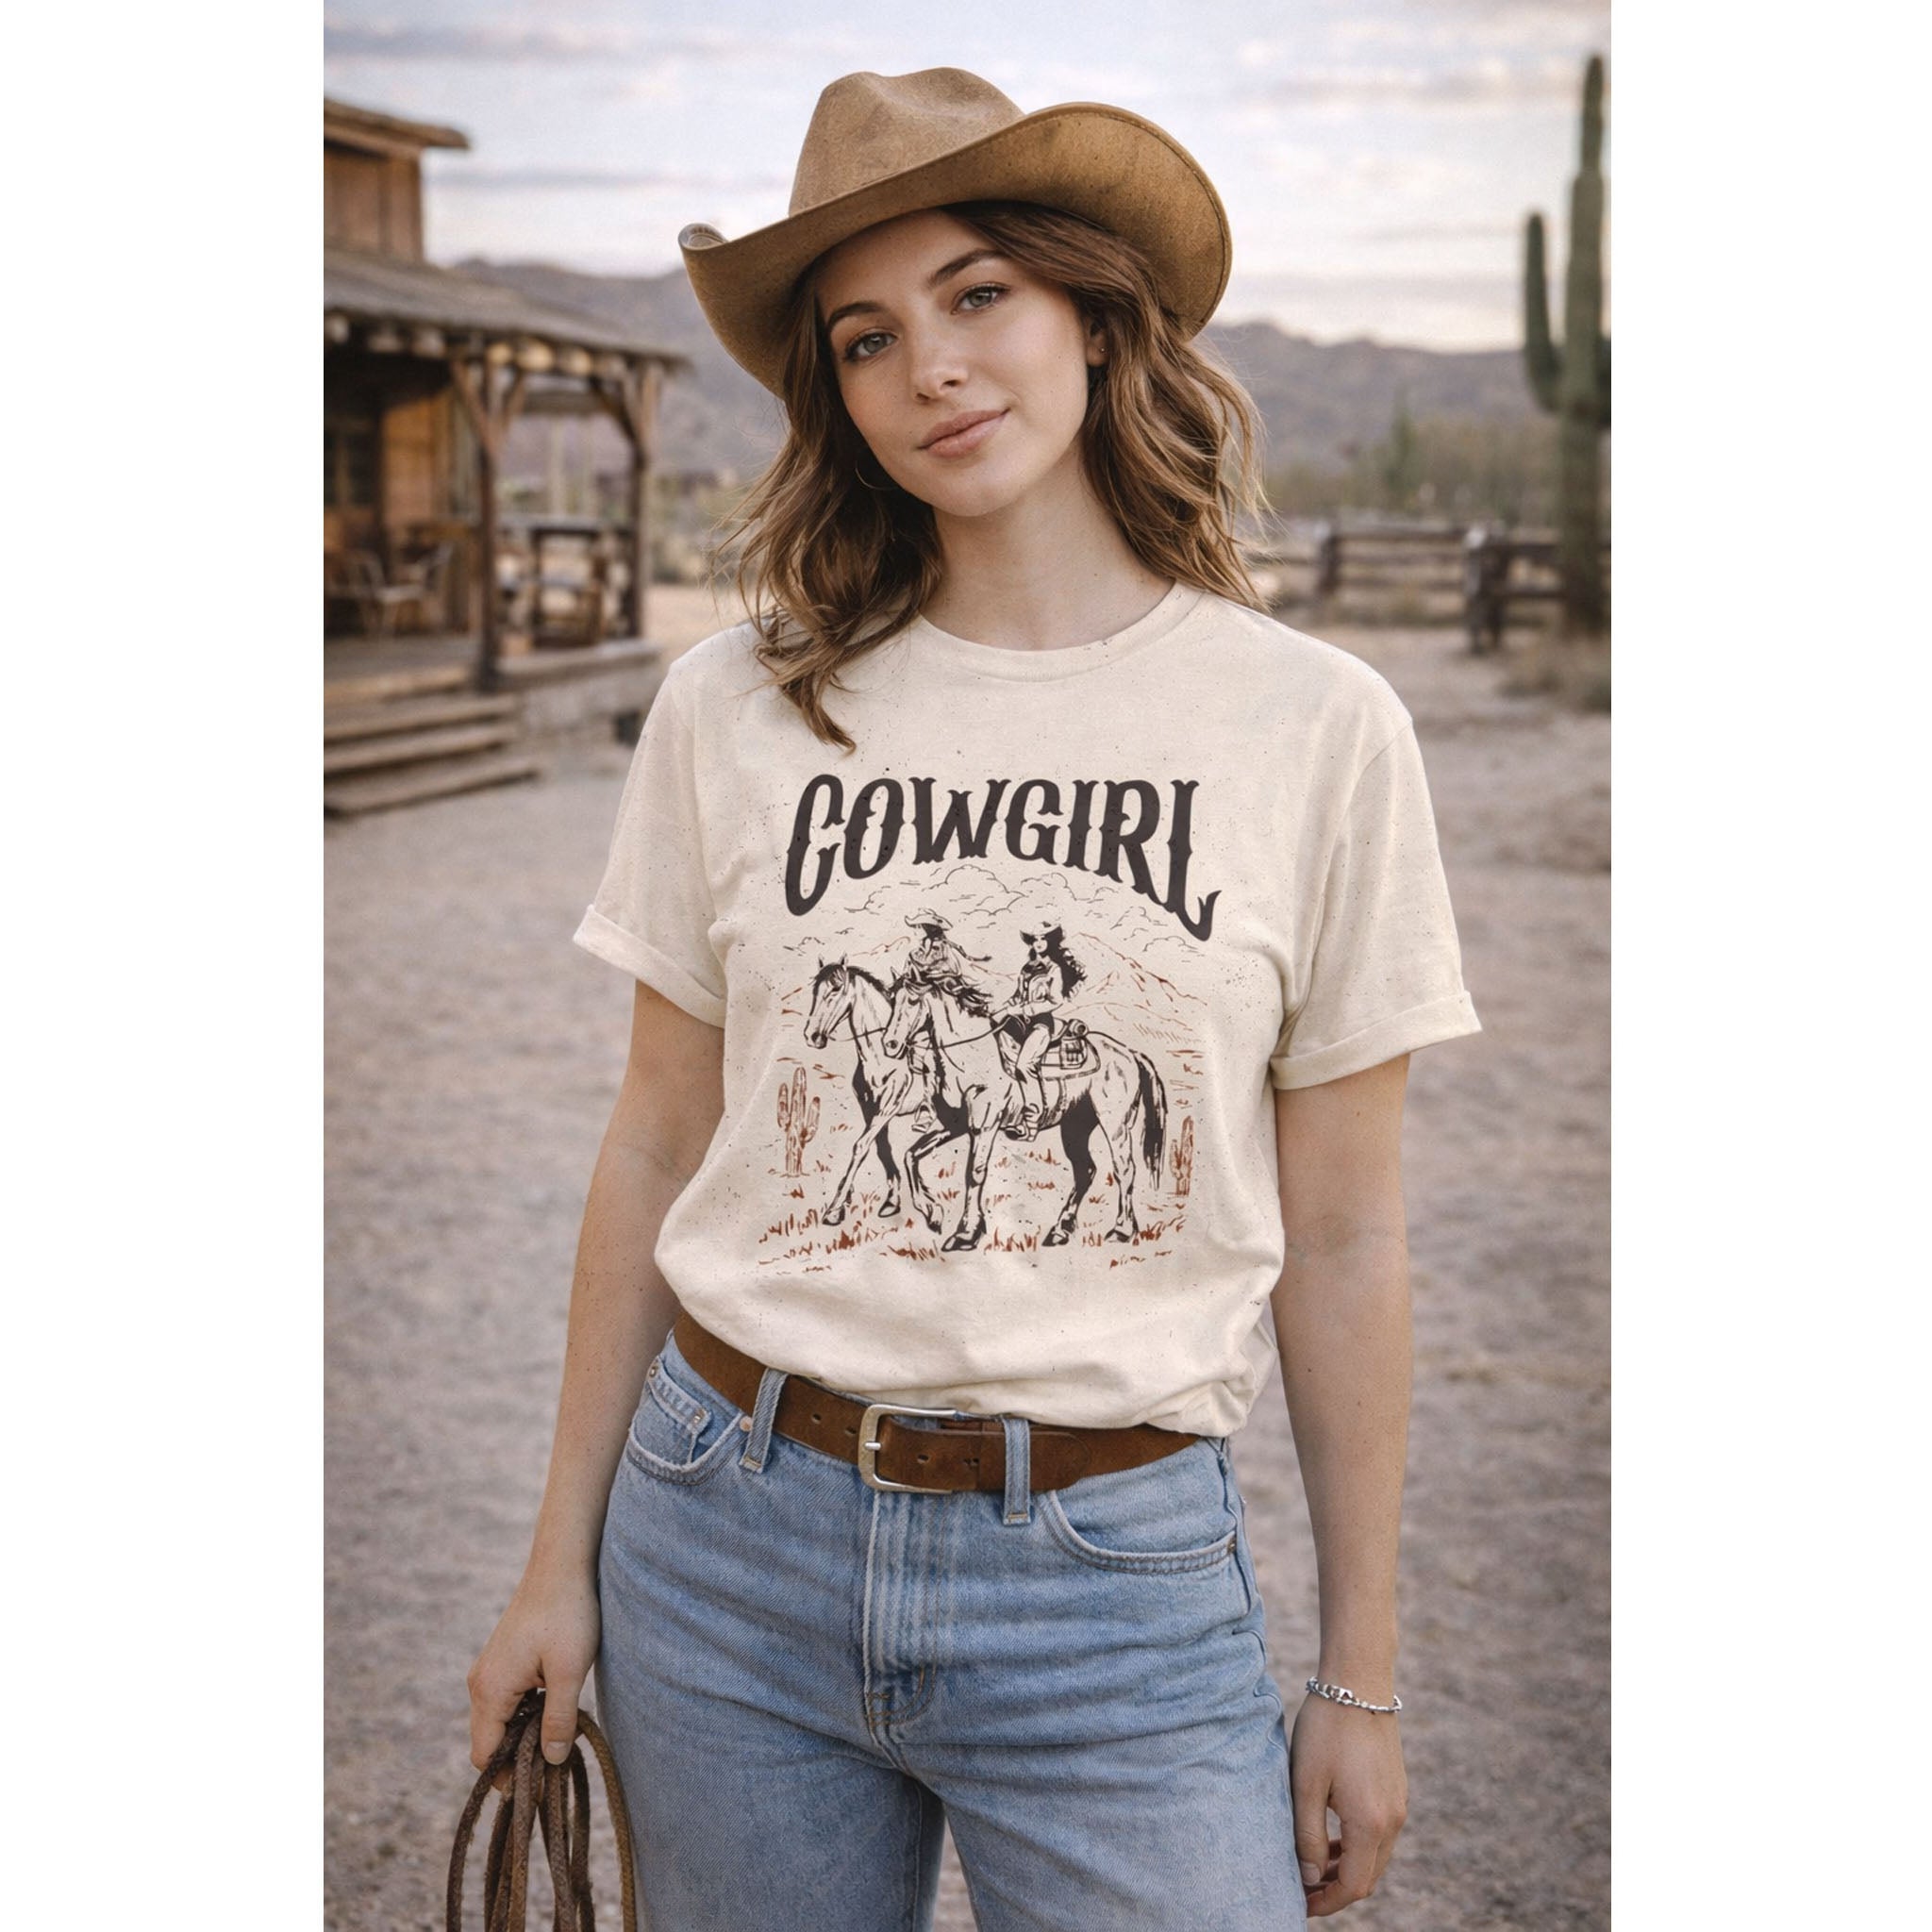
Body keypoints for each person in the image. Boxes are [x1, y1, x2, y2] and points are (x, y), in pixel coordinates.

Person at [466, 66, 1481, 1930]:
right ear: (834, 395)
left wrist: (1359, 1673)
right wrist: (555, 1567)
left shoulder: (1315, 728)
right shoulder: (737, 711)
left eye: (978, 296)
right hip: (723, 1533)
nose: (926, 364)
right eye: (865, 337)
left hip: (1112, 1571)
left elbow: (1343, 1234)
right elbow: (651, 1144)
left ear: (1095, 319)